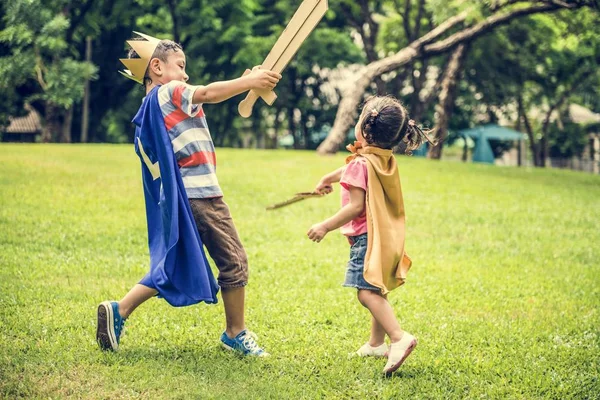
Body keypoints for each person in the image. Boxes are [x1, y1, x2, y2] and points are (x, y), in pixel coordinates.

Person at [96, 31, 281, 356]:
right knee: (234, 260)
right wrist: (246, 81)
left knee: (174, 262)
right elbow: (208, 93)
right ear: (156, 67)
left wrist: (248, 82)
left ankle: (119, 309)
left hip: (180, 198)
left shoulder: (149, 106)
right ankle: (235, 332)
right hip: (201, 195)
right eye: (180, 66)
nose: (185, 74)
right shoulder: (169, 91)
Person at [307, 95, 434, 375]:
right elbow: (356, 166)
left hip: (365, 238)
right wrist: (328, 178)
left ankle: (399, 337)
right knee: (377, 287)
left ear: (365, 130)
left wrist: (325, 226)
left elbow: (355, 206)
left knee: (366, 293)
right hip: (385, 234)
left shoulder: (361, 163)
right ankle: (376, 344)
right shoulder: (382, 158)